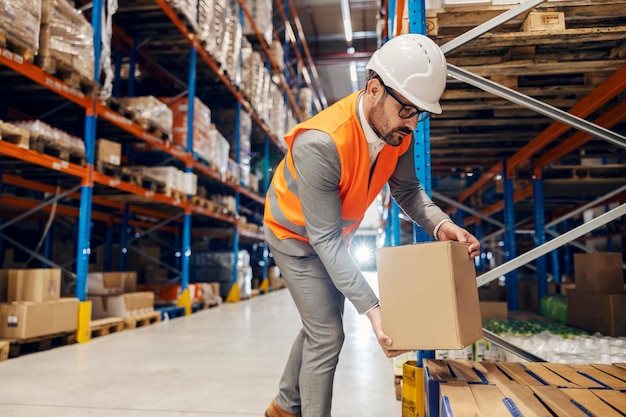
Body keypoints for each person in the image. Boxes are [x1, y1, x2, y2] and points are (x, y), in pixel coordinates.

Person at [263, 34, 481, 417]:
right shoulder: (321, 143)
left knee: (321, 321)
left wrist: (441, 225)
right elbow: (324, 239)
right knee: (328, 332)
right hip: (294, 235)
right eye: (407, 111)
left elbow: (409, 191)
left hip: (331, 234)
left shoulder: (398, 131)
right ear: (375, 89)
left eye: (420, 114)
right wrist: (375, 309)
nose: (412, 124)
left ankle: (283, 406)